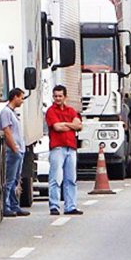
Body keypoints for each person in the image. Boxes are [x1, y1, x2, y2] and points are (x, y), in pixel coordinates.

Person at [46, 84, 84, 216]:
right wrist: (71, 125)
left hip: (71, 148)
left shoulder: (71, 110)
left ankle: (70, 206)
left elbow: (79, 126)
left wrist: (65, 124)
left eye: (60, 96)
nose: (58, 98)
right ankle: (54, 206)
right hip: (57, 148)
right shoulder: (51, 111)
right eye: (55, 96)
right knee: (55, 179)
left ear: (65, 97)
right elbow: (57, 127)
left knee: (71, 179)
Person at [0, 89, 30, 217]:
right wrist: (15, 149)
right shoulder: (6, 112)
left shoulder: (12, 113)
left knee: (16, 180)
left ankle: (14, 205)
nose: (22, 101)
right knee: (9, 180)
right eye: (21, 98)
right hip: (13, 151)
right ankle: (6, 206)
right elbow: (7, 132)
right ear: (15, 97)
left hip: (19, 150)